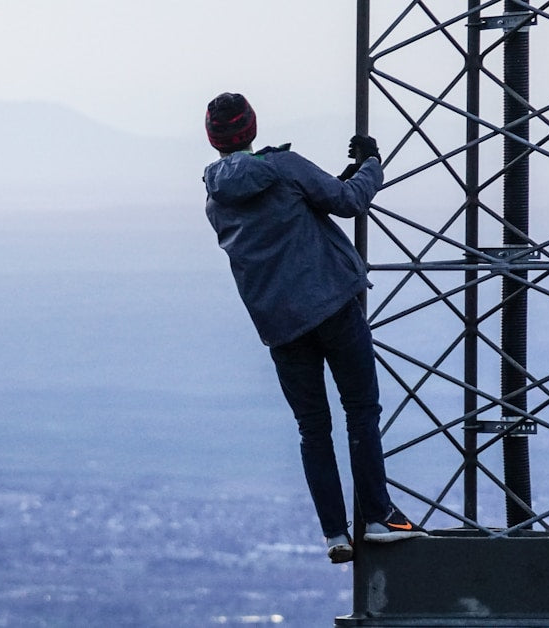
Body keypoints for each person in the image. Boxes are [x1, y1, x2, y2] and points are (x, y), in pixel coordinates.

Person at [202, 92, 426, 564]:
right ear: (252, 128)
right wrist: (372, 164)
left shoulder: (215, 199)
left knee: (312, 428)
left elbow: (286, 217)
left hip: (281, 327)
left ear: (214, 139)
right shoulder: (283, 166)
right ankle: (379, 516)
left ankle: (335, 534)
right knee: (361, 409)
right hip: (333, 306)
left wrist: (331, 181)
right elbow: (347, 203)